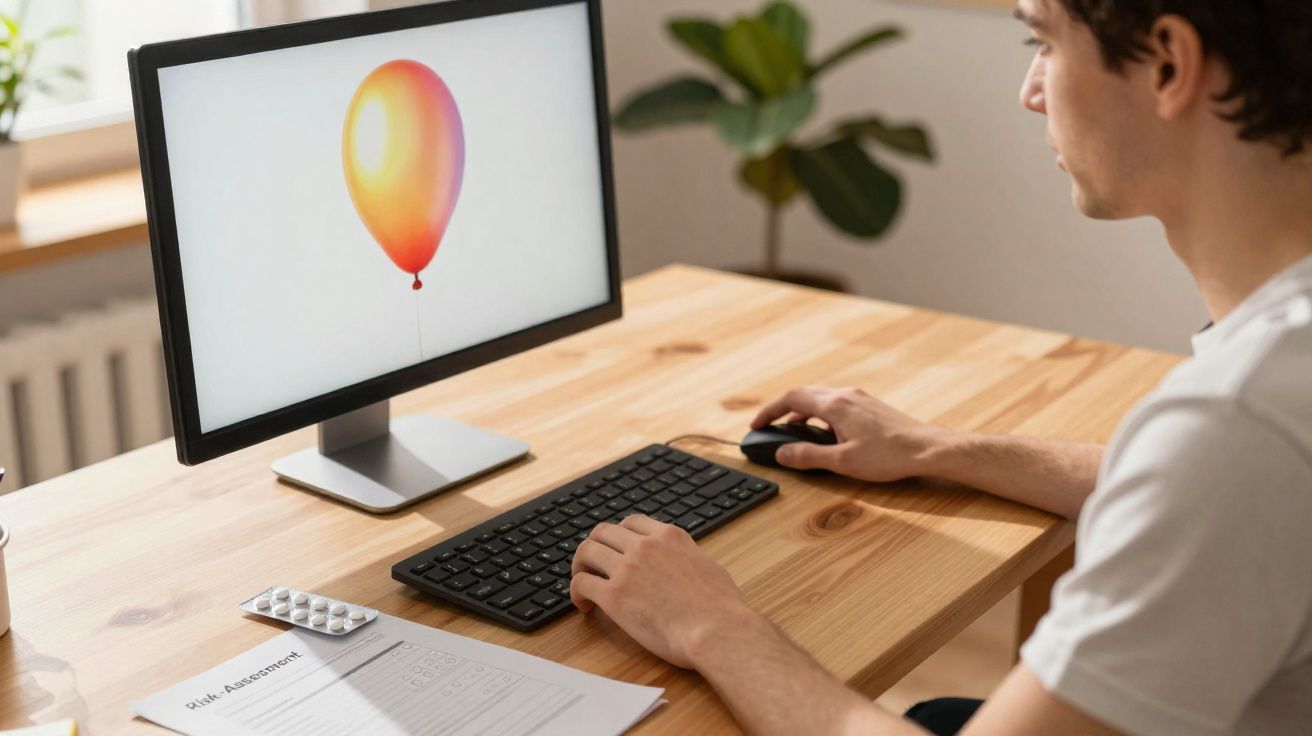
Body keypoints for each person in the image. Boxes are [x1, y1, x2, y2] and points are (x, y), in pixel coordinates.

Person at [569, 0, 1312, 733]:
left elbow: (1213, 471)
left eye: (1045, 43)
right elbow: (1197, 486)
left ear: (1169, 65)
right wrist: (937, 449)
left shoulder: (1238, 422)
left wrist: (710, 624)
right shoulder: (1271, 381)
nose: (1030, 91)